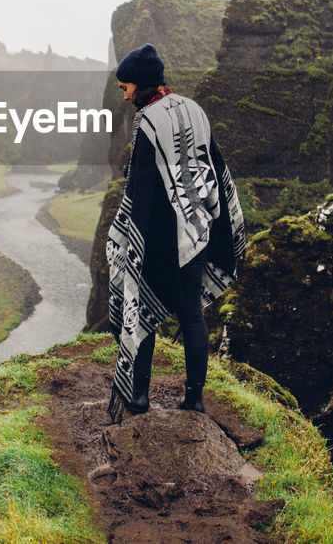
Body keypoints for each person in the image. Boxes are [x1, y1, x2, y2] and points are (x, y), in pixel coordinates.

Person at [106, 43, 246, 422]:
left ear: (141, 83)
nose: (124, 94)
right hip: (196, 231)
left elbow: (140, 185)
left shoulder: (148, 120)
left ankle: (139, 398)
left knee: (146, 309)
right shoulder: (195, 109)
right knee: (191, 316)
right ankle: (194, 400)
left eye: (126, 87)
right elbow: (213, 166)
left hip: (160, 237)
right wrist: (208, 215)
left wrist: (129, 236)